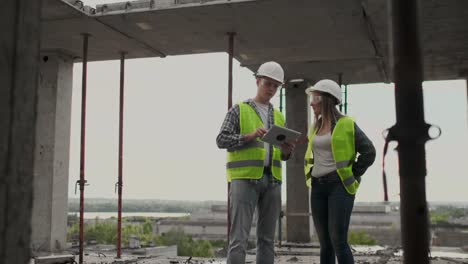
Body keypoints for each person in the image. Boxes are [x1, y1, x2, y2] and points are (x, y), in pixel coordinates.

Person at [216, 61, 295, 264]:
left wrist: (286, 152)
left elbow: (282, 155)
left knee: (267, 240)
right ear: (258, 80)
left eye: (275, 86)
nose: (271, 89)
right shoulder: (239, 110)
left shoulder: (278, 116)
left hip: (273, 181)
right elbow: (221, 140)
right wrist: (249, 136)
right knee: (239, 239)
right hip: (244, 180)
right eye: (267, 83)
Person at [303, 79, 376, 264]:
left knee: (338, 241)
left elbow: (369, 151)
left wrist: (353, 172)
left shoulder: (347, 124)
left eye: (315, 98)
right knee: (325, 243)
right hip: (318, 187)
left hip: (339, 187)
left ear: (327, 100)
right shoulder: (316, 126)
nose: (311, 102)